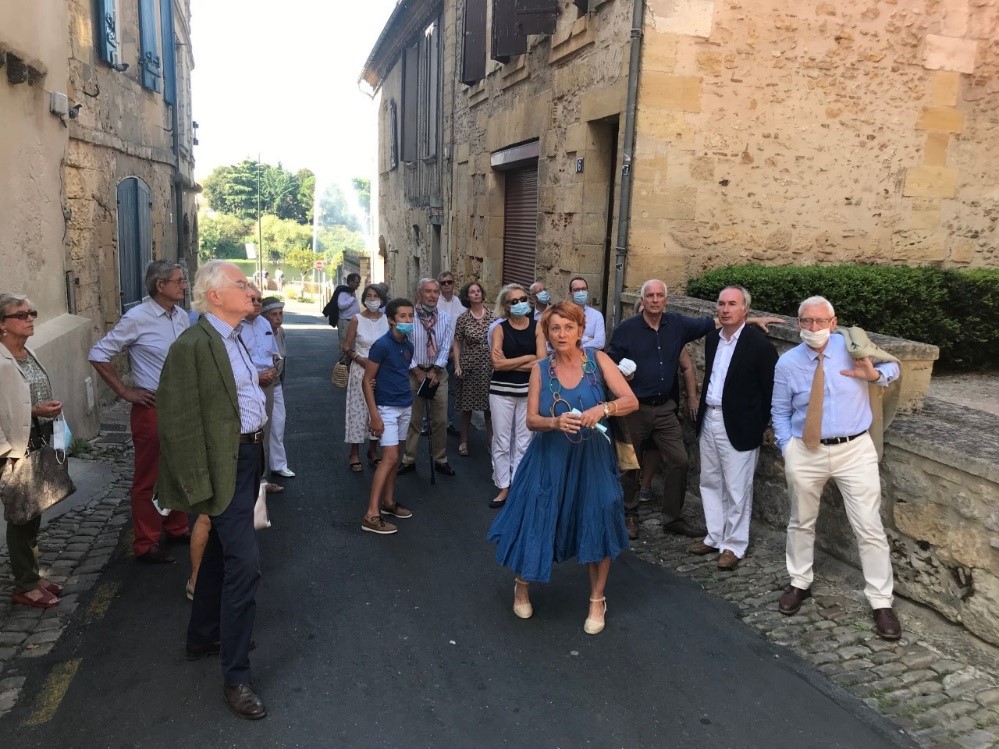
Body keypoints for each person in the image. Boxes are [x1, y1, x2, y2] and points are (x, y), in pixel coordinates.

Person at [156, 260, 269, 719]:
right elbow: (178, 423)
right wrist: (199, 489)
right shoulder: (193, 344)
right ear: (215, 295)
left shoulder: (235, 336)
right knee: (246, 566)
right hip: (223, 469)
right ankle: (236, 677)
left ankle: (202, 636)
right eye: (242, 284)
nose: (252, 290)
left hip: (248, 458)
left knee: (222, 555)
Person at [487, 301, 638, 635]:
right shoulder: (541, 368)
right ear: (547, 333)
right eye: (555, 328)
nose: (562, 334)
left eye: (569, 327)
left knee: (600, 516)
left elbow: (630, 400)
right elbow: (531, 420)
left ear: (581, 330)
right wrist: (554, 421)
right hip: (550, 457)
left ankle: (597, 600)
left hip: (594, 458)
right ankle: (522, 585)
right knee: (537, 518)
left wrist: (603, 409)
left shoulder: (599, 360)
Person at [772, 295, 902, 641]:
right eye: (806, 321)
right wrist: (788, 448)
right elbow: (780, 410)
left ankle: (880, 601)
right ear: (798, 323)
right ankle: (800, 582)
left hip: (854, 449)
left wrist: (874, 375)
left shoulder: (854, 347)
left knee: (869, 526)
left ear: (833, 322)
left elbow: (895, 367)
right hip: (806, 450)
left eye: (820, 321)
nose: (813, 328)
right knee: (801, 522)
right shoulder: (787, 363)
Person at [89, 261, 190, 564]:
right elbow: (98, 354)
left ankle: (176, 526)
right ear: (160, 286)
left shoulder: (182, 316)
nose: (184, 285)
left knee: (180, 470)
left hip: (182, 407)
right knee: (149, 476)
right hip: (153, 408)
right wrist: (124, 391)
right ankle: (146, 542)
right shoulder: (137, 318)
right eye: (178, 281)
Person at [690, 286, 778, 571]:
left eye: (732, 304)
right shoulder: (713, 338)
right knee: (710, 480)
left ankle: (734, 545)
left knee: (738, 487)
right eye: (721, 304)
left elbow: (770, 392)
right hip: (710, 418)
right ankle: (715, 535)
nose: (725, 309)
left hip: (740, 423)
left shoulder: (760, 346)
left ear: (745, 310)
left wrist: (758, 424)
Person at [0, 294, 65, 608]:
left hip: (35, 440)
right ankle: (25, 584)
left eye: (32, 312)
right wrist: (6, 452)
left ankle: (33, 574)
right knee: (21, 517)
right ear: (2, 324)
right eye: (21, 314)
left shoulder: (27, 352)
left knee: (33, 512)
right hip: (11, 448)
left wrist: (44, 412)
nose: (30, 318)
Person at [360, 298, 417, 535]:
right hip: (386, 408)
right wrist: (374, 415)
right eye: (402, 316)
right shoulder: (381, 345)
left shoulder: (409, 346)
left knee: (396, 457)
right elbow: (367, 380)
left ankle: (389, 502)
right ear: (391, 320)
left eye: (410, 316)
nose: (407, 320)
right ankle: (371, 514)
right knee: (390, 458)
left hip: (405, 405)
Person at [487, 284, 546, 509]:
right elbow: (496, 364)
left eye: (523, 299)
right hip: (501, 392)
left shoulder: (538, 327)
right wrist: (526, 358)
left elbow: (541, 362)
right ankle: (503, 486)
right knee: (501, 440)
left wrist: (510, 363)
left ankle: (519, 484)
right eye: (514, 301)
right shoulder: (499, 329)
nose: (520, 304)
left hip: (528, 391)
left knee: (524, 441)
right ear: (505, 306)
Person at [397, 278, 457, 476]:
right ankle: (409, 459)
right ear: (419, 294)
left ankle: (440, 459)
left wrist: (435, 370)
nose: (433, 296)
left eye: (436, 292)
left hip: (437, 373)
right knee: (413, 418)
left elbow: (446, 346)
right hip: (414, 372)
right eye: (428, 291)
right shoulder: (409, 317)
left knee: (439, 419)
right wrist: (417, 371)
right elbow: (404, 346)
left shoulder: (445, 318)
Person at [341, 284, 389, 471]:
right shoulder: (357, 319)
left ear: (382, 299)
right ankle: (354, 453)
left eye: (376, 296)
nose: (372, 299)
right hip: (361, 370)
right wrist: (358, 358)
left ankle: (373, 451)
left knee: (377, 411)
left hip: (382, 371)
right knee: (358, 411)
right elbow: (346, 346)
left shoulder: (387, 320)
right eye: (369, 296)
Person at [241, 287, 281, 493]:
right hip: (246, 388)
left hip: (267, 385)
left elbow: (275, 354)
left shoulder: (265, 324)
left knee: (264, 432)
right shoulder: (235, 328)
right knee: (246, 434)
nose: (257, 303)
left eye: (259, 300)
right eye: (252, 299)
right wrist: (258, 376)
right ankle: (245, 482)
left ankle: (262, 480)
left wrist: (273, 371)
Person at [452, 281, 494, 458]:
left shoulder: (493, 316)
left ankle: (491, 441)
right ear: (467, 297)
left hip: (490, 366)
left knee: (490, 407)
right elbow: (457, 342)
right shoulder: (463, 318)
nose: (476, 294)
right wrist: (457, 365)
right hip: (470, 365)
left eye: (478, 291)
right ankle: (464, 441)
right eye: (472, 292)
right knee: (467, 406)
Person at [261, 297, 294, 478]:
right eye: (273, 314)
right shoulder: (257, 332)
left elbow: (283, 359)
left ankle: (279, 464)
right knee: (261, 428)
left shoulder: (280, 332)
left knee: (278, 424)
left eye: (280, 314)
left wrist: (282, 380)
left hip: (276, 384)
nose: (278, 318)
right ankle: (261, 471)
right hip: (259, 384)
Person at [437, 271, 467, 436]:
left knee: (452, 390)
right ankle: (429, 423)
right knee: (432, 388)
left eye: (449, 282)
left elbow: (462, 330)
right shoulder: (434, 303)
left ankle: (448, 422)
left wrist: (455, 352)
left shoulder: (460, 305)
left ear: (454, 284)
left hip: (455, 354)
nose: (447, 285)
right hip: (436, 354)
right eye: (443, 283)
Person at [568, 276, 605, 349]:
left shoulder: (597, 315)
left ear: (587, 291)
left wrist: (575, 347)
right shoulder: (562, 314)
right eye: (577, 290)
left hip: (588, 358)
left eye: (583, 289)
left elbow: (600, 343)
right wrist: (588, 339)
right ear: (570, 293)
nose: (581, 292)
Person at [322, 273, 361, 342]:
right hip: (345, 322)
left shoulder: (351, 292)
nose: (358, 285)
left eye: (358, 283)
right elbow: (341, 306)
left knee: (352, 343)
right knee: (345, 342)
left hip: (352, 322)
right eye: (356, 283)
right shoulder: (343, 292)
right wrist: (352, 299)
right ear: (350, 282)